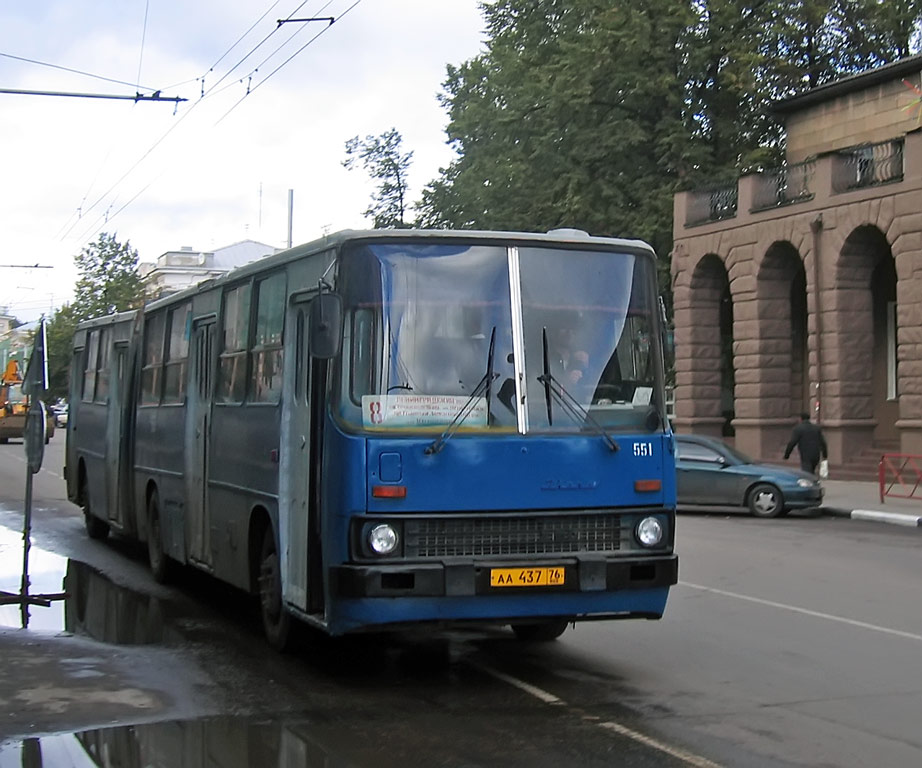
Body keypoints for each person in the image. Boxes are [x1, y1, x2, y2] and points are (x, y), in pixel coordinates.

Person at [549, 320, 589, 387]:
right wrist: (566, 381)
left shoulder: (579, 359)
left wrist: (587, 367)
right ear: (553, 332)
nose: (569, 332)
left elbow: (592, 388)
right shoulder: (545, 359)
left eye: (572, 329)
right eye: (564, 328)